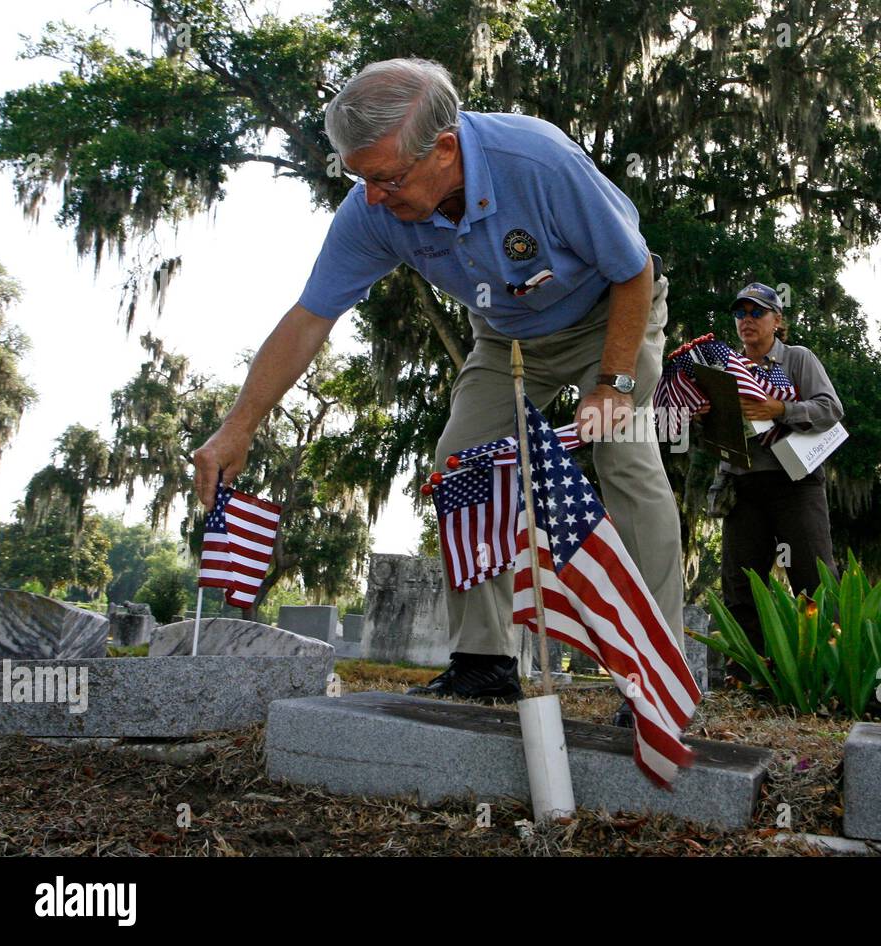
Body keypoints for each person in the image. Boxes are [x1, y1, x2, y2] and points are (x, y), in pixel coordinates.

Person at [191, 58, 684, 702]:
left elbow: (632, 270)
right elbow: (310, 318)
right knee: (460, 464)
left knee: (623, 457)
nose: (371, 196)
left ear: (445, 149)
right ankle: (485, 661)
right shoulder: (372, 209)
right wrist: (238, 426)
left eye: (385, 178)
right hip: (509, 338)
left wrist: (614, 384)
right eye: (358, 177)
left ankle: (657, 673)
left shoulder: (536, 161)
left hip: (610, 316)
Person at [706, 282, 842, 658]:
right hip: (743, 483)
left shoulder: (798, 359)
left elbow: (831, 410)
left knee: (814, 579)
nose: (747, 320)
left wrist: (782, 410)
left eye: (756, 312)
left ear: (776, 320)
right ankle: (749, 675)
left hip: (795, 481)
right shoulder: (725, 368)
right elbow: (717, 432)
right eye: (740, 313)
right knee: (740, 584)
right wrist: (707, 416)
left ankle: (825, 669)